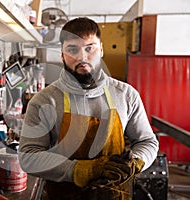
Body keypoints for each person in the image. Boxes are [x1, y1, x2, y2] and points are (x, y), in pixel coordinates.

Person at [18, 17, 159, 200]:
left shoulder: (125, 95)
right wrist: (83, 170)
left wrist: (137, 161)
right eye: (72, 49)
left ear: (101, 50)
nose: (82, 57)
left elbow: (147, 141)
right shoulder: (44, 101)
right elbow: (29, 157)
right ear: (62, 54)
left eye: (89, 48)